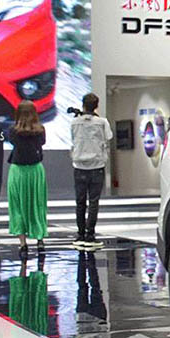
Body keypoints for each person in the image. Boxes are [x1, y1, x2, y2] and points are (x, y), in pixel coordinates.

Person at [70, 92, 113, 249]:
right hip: (96, 166)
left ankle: (80, 235)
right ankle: (90, 235)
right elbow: (109, 137)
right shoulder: (102, 122)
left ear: (83, 105)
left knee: (80, 202)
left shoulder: (75, 122)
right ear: (96, 106)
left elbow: (73, 138)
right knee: (93, 202)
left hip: (79, 166)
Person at [6, 101, 47, 258]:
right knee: (37, 204)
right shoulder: (40, 130)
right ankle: (40, 239)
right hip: (36, 170)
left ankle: (23, 244)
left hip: (18, 171)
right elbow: (41, 143)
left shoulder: (13, 131)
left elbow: (13, 142)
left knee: (17, 206)